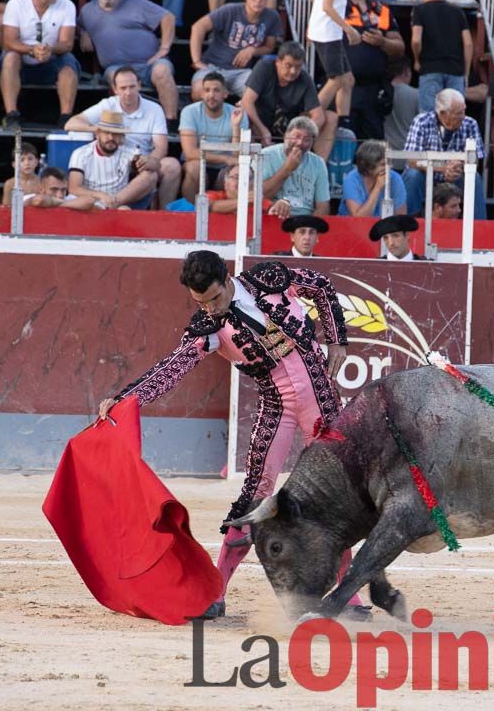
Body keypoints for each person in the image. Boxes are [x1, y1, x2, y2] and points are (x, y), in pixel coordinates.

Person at [96, 251, 356, 620]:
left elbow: (321, 287)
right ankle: (216, 593)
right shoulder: (208, 328)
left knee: (335, 495)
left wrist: (337, 340)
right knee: (254, 496)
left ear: (228, 277)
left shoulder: (269, 278)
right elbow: (174, 367)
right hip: (277, 405)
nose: (211, 309)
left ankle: (350, 597)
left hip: (322, 398)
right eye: (200, 302)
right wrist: (126, 398)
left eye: (215, 298)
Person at [65, 66, 182, 208]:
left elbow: (161, 147)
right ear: (115, 89)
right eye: (123, 88)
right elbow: (70, 123)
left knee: (172, 166)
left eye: (132, 86)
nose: (128, 92)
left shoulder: (154, 108)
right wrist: (97, 129)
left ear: (139, 85)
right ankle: (114, 204)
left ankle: (165, 214)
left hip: (141, 160)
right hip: (113, 155)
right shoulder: (108, 105)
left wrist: (150, 160)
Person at [79, 0, 178, 122]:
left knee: (163, 71)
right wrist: (83, 32)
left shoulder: (137, 3)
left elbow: (168, 18)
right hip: (116, 66)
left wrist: (164, 48)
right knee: (117, 77)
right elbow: (76, 26)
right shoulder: (87, 11)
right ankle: (126, 122)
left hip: (149, 64)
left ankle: (170, 122)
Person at [0, 0, 78, 132]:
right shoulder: (16, 4)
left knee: (69, 65)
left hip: (52, 57)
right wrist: (31, 50)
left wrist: (49, 48)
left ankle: (65, 118)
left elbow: (67, 43)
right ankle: (11, 115)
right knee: (10, 57)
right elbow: (8, 41)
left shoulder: (67, 5)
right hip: (22, 57)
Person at [307, 0, 366, 134]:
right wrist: (349, 29)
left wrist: (316, 21)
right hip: (327, 33)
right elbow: (327, 5)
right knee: (336, 79)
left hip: (326, 30)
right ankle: (309, 122)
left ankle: (343, 123)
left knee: (348, 79)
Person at [189, 0, 281, 101]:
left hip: (242, 72)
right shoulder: (230, 10)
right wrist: (197, 61)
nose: (258, 0)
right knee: (200, 90)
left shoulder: (272, 16)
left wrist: (252, 50)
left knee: (261, 92)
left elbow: (269, 47)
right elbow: (198, 27)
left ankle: (249, 121)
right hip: (214, 68)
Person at [342, 0, 405, 142]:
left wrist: (383, 42)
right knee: (344, 146)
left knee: (374, 149)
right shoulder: (336, 7)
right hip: (344, 90)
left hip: (373, 90)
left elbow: (400, 48)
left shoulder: (382, 10)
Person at [239, 41, 336, 158]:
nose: (293, 71)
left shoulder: (305, 78)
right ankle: (245, 165)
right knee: (242, 113)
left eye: (298, 66)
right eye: (288, 65)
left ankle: (319, 167)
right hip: (259, 124)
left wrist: (299, 136)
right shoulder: (264, 67)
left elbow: (318, 116)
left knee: (330, 117)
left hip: (289, 129)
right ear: (278, 62)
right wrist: (262, 129)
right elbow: (247, 101)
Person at [402, 89, 488, 219]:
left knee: (474, 177)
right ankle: (408, 223)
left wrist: (456, 167)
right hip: (426, 177)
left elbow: (475, 160)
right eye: (458, 113)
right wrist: (443, 168)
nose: (463, 116)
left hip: (456, 177)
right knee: (412, 175)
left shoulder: (470, 123)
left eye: (464, 110)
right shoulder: (421, 122)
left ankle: (479, 227)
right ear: (442, 113)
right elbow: (412, 159)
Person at [66, 108, 160, 210]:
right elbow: (74, 188)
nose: (111, 137)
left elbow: (157, 166)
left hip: (118, 202)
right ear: (97, 134)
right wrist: (100, 195)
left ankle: (113, 203)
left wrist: (150, 161)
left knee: (151, 175)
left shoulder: (129, 153)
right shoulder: (81, 154)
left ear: (121, 137)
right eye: (106, 133)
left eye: (116, 134)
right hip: (89, 201)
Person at [411, 0, 471, 117]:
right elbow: (468, 43)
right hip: (455, 71)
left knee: (429, 119)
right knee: (456, 119)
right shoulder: (457, 12)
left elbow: (416, 39)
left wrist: (417, 60)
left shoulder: (419, 10)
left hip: (430, 70)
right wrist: (466, 74)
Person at [178, 71, 248, 199]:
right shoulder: (189, 112)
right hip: (198, 163)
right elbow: (190, 152)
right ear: (202, 93)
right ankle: (191, 213)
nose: (211, 95)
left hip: (224, 169)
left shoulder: (238, 114)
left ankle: (228, 214)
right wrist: (224, 159)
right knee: (194, 168)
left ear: (225, 94)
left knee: (237, 172)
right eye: (207, 90)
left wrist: (236, 126)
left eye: (216, 90)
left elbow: (237, 156)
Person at [259, 115, 329, 216]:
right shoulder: (265, 155)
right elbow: (260, 195)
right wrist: (287, 169)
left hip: (304, 220)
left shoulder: (318, 163)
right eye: (296, 136)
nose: (300, 143)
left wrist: (309, 226)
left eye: (307, 140)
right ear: (286, 135)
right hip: (273, 215)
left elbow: (323, 206)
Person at [340, 140, 407, 217]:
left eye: (389, 163)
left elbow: (401, 217)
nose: (388, 168)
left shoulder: (395, 178)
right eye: (383, 164)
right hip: (350, 226)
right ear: (368, 167)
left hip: (383, 227)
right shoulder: (352, 179)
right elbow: (358, 218)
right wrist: (377, 188)